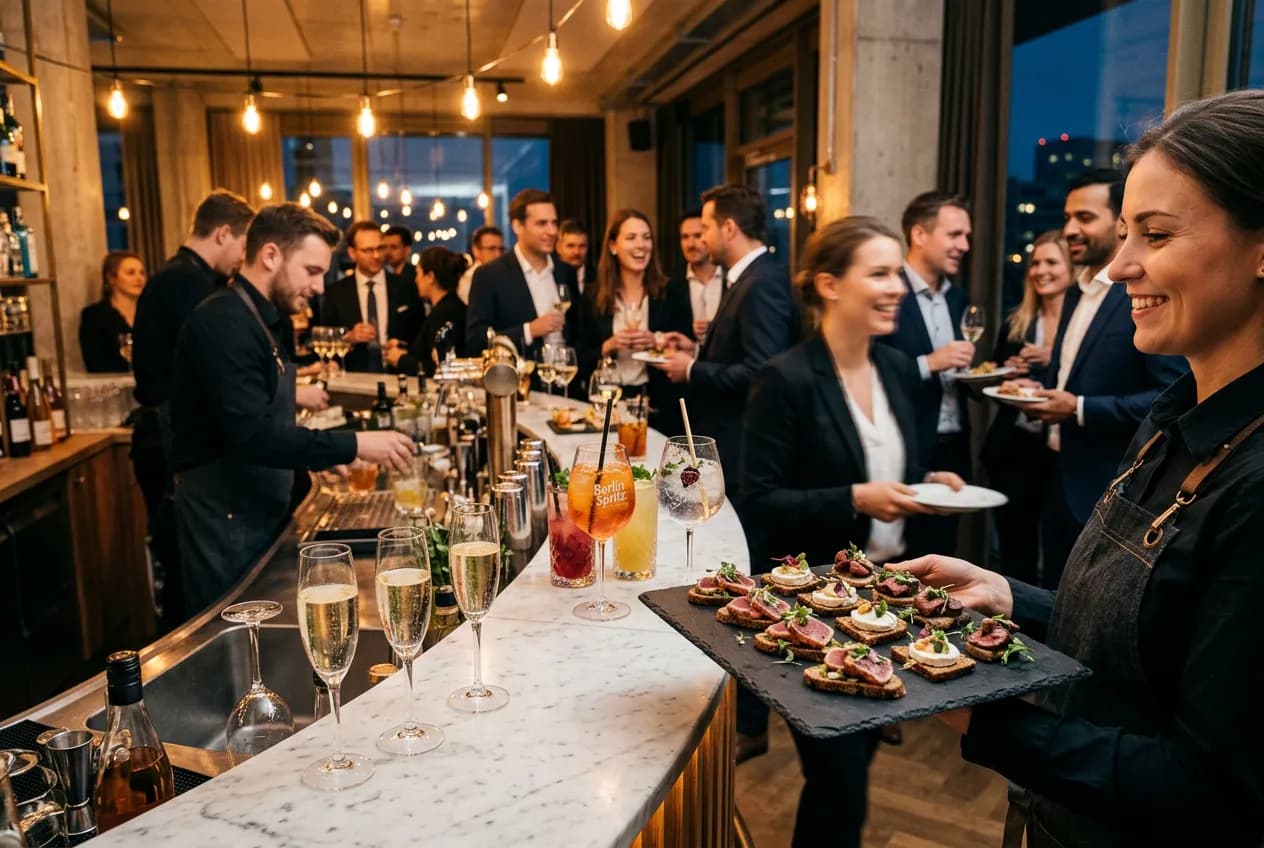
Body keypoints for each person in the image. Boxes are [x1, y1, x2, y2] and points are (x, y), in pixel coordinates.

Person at [892, 89, 1264, 847]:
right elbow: (1145, 640)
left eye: (1155, 235)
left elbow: (1207, 789)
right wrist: (1013, 597)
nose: (1119, 266)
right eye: (1125, 232)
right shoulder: (1174, 419)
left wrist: (972, 712)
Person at [743, 216, 965, 847]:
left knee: (851, 772)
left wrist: (929, 482)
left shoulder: (896, 369)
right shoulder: (785, 379)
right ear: (829, 285)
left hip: (888, 607)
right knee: (841, 785)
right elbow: (758, 501)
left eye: (897, 271)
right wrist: (853, 498)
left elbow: (889, 466)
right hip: (815, 608)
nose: (897, 286)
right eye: (880, 272)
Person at [171, 203, 414, 613]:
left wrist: (311, 459)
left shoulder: (263, 318)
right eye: (312, 271)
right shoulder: (223, 322)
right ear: (271, 255)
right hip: (225, 516)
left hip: (258, 505)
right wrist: (352, 444)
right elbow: (253, 436)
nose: (320, 288)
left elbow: (267, 416)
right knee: (234, 632)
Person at [1019, 169, 1186, 586]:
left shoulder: (1140, 296)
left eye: (1085, 218)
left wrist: (1076, 409)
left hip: (1107, 485)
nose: (1070, 229)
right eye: (1068, 217)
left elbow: (1168, 398)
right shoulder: (1076, 290)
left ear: (1120, 224)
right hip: (1055, 473)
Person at [131, 188, 255, 628]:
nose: (243, 258)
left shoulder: (180, 276)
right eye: (243, 245)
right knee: (185, 571)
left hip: (167, 433)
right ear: (223, 233)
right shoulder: (189, 283)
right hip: (168, 438)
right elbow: (213, 370)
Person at [654, 184, 799, 503]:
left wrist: (691, 369)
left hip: (742, 449)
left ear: (729, 228)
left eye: (706, 228)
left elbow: (760, 373)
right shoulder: (749, 278)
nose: (702, 238)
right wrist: (695, 351)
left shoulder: (761, 284)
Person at [876, 191, 975, 557]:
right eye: (954, 235)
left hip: (954, 445)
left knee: (943, 553)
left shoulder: (959, 298)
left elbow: (956, 371)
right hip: (906, 444)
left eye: (967, 236)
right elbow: (871, 372)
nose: (964, 245)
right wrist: (930, 363)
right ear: (919, 235)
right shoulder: (887, 292)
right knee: (899, 557)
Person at [978, 231, 1073, 584]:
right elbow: (991, 378)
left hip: (1060, 453)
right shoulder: (1016, 322)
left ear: (1072, 268)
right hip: (1014, 450)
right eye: (1036, 263)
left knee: (1059, 556)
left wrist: (1053, 359)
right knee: (1014, 550)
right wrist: (1010, 377)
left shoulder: (1081, 328)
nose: (1041, 270)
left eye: (1052, 262)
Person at [577, 209, 692, 434]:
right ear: (612, 246)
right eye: (631, 238)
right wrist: (608, 347)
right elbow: (578, 359)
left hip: (658, 409)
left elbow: (687, 350)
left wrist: (656, 341)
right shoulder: (592, 296)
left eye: (646, 237)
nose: (641, 245)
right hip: (606, 408)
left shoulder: (673, 292)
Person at [464, 189, 582, 359]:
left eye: (554, 223)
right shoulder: (490, 275)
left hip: (566, 380)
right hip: (520, 382)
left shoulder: (565, 271)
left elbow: (579, 333)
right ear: (517, 226)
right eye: (542, 223)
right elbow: (476, 341)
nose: (552, 231)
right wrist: (528, 331)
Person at [319, 221, 424, 373]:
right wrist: (349, 338)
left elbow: (420, 335)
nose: (376, 256)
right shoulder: (336, 292)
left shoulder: (406, 287)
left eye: (380, 248)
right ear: (352, 253)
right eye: (368, 250)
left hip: (399, 375)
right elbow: (323, 340)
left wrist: (402, 346)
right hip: (354, 378)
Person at [385, 246, 468, 377]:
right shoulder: (450, 307)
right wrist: (404, 348)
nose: (415, 279)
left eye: (418, 273)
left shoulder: (444, 314)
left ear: (430, 277)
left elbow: (439, 366)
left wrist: (400, 360)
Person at [80, 251, 145, 372]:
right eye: (131, 273)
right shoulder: (94, 316)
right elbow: (94, 362)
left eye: (142, 273)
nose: (139, 278)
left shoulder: (150, 312)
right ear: (111, 279)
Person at [666, 208, 725, 342]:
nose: (690, 244)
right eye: (685, 237)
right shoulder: (670, 285)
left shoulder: (732, 280)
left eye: (698, 236)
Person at [457, 225, 505, 304]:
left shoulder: (506, 274)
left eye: (501, 249)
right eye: (492, 249)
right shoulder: (469, 280)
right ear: (476, 250)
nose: (498, 254)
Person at [558, 218, 594, 295]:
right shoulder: (550, 278)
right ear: (558, 248)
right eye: (570, 246)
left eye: (582, 246)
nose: (576, 252)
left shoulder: (599, 279)